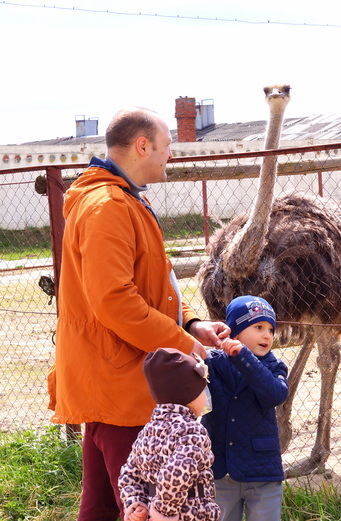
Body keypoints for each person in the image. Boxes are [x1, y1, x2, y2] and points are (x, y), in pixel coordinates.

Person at [46, 107, 230, 521]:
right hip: (122, 386)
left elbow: (155, 285)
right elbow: (115, 301)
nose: (170, 156)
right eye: (167, 147)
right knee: (146, 510)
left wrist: (192, 324)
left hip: (113, 384)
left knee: (102, 509)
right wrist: (184, 345)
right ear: (141, 145)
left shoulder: (121, 199)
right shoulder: (108, 205)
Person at [202, 295, 289, 521]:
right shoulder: (212, 362)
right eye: (258, 326)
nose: (266, 335)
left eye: (271, 329)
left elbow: (274, 395)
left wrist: (244, 358)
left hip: (262, 472)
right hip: (219, 470)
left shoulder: (275, 366)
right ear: (235, 332)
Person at [118, 348, 220, 521]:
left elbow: (129, 473)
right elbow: (176, 472)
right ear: (191, 395)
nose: (206, 396)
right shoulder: (192, 431)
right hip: (190, 513)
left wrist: (136, 503)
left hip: (152, 509)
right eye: (203, 390)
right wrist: (164, 512)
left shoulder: (148, 430)